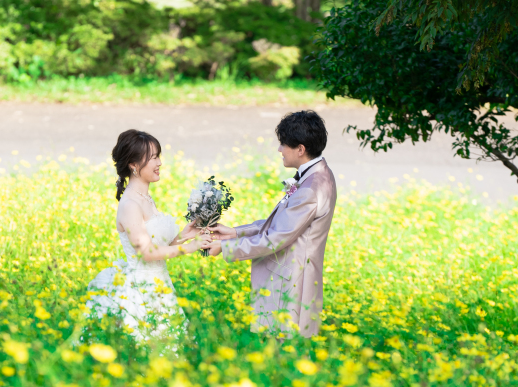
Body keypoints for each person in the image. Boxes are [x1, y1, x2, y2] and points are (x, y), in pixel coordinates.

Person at [207, 110, 337, 338]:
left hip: (291, 283)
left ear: (300, 149)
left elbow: (276, 238)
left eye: (283, 144)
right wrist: (234, 232)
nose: (279, 149)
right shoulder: (318, 174)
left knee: (284, 349)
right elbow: (282, 223)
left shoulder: (311, 188)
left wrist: (225, 247)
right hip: (292, 277)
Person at [85, 129, 212, 342]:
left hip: (160, 283)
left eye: (158, 156)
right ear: (133, 165)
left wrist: (184, 235)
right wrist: (190, 247)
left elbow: (158, 245)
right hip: (141, 289)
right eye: (153, 157)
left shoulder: (145, 198)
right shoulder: (130, 204)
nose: (159, 163)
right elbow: (146, 252)